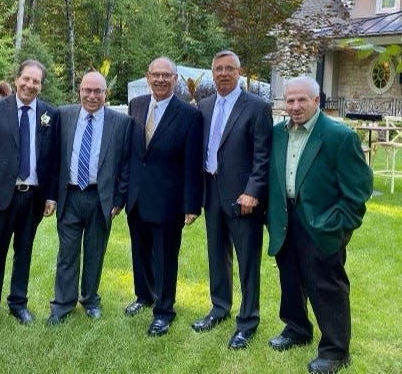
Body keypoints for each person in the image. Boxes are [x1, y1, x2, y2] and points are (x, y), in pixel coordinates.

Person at [267, 76, 372, 373]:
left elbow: (358, 191)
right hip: (285, 218)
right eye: (290, 100)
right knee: (290, 278)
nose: (295, 106)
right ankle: (296, 328)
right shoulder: (278, 134)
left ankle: (335, 350)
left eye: (302, 100)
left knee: (326, 284)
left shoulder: (339, 136)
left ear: (317, 100)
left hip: (322, 222)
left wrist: (337, 226)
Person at [192, 50, 273, 349]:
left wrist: (253, 191)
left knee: (247, 260)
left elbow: (263, 155)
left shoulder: (256, 107)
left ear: (239, 72)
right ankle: (219, 307)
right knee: (217, 255)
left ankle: (248, 320)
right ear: (212, 73)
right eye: (218, 69)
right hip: (211, 191)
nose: (223, 73)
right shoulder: (204, 106)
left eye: (229, 68)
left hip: (243, 198)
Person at [0, 59, 60, 337]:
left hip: (32, 197)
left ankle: (18, 304)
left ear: (41, 85)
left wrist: (51, 196)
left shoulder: (49, 114)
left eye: (36, 81)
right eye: (26, 79)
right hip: (1, 195)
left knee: (24, 252)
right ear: (17, 78)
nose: (30, 85)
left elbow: (53, 159)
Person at [124, 56, 203, 336]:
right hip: (136, 196)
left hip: (169, 200)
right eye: (155, 75)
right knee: (140, 251)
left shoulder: (190, 115)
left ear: (175, 79)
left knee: (165, 257)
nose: (159, 79)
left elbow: (193, 164)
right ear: (147, 77)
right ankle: (144, 296)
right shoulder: (136, 105)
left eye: (165, 75)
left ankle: (164, 310)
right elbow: (131, 153)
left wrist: (192, 204)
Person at [47, 71, 132, 325]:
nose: (92, 96)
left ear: (106, 94)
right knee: (67, 253)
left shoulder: (121, 123)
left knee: (95, 252)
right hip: (70, 195)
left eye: (98, 91)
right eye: (87, 90)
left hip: (101, 197)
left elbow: (125, 165)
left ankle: (90, 299)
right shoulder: (64, 115)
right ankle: (62, 304)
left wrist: (119, 199)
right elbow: (52, 158)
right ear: (80, 91)